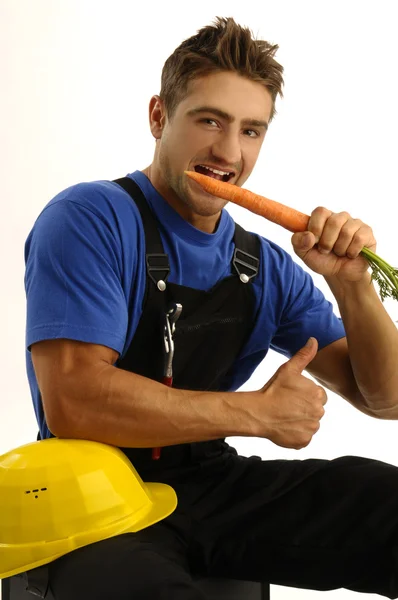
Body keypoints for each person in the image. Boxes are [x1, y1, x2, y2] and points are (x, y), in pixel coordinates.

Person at [24, 16, 398, 600]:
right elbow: (73, 401)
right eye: (210, 121)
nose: (228, 152)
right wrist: (255, 414)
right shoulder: (90, 218)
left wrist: (354, 287)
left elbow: (386, 399)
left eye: (251, 131)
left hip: (212, 486)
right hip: (93, 494)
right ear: (158, 116)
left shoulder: (265, 265)